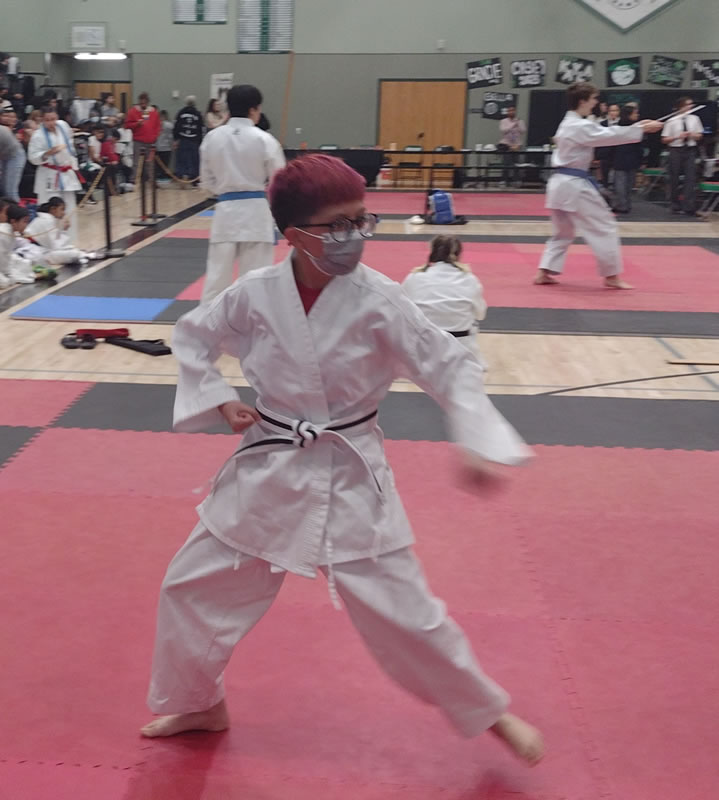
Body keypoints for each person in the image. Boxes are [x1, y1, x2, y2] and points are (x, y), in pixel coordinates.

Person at [140, 153, 544, 766]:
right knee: (191, 585)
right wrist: (221, 400)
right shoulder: (254, 294)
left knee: (408, 615)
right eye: (337, 224)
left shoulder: (381, 299)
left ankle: (490, 712)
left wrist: (478, 439)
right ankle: (199, 701)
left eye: (362, 219)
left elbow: (451, 366)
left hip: (352, 472)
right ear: (294, 234)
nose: (355, 235)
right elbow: (194, 336)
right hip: (269, 463)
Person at [535, 83, 663, 290]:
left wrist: (639, 126)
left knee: (563, 232)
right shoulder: (578, 125)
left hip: (560, 184)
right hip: (574, 185)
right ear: (583, 101)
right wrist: (640, 128)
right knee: (604, 226)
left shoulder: (570, 123)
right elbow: (608, 136)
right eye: (594, 99)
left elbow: (607, 131)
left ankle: (544, 271)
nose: (596, 103)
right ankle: (612, 276)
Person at [198, 84, 285, 304]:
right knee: (258, 280)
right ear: (255, 110)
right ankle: (256, 330)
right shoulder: (265, 140)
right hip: (256, 213)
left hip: (225, 212)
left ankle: (207, 331)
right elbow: (280, 182)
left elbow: (206, 181)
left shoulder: (212, 138)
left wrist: (226, 190)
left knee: (217, 280)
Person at [401, 235, 487, 365]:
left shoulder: (414, 277)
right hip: (461, 348)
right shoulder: (470, 279)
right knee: (473, 325)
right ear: (458, 254)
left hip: (424, 348)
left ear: (433, 252)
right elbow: (480, 315)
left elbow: (401, 310)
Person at [27, 107, 82, 241]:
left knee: (69, 209)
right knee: (50, 212)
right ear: (42, 120)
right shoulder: (38, 135)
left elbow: (70, 144)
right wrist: (47, 153)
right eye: (47, 120)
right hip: (49, 175)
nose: (51, 123)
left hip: (66, 173)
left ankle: (71, 242)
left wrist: (73, 164)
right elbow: (32, 158)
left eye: (53, 119)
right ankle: (51, 243)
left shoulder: (63, 126)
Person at [662, 96, 703, 216]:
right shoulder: (672, 120)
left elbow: (699, 136)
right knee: (673, 177)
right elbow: (664, 139)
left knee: (690, 178)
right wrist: (677, 137)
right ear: (681, 106)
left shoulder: (695, 119)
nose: (690, 107)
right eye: (687, 104)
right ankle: (674, 204)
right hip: (676, 149)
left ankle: (688, 205)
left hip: (690, 149)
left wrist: (691, 135)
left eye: (691, 104)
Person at [24, 195, 94, 265]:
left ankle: (82, 255)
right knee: (72, 253)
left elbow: (55, 243)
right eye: (62, 209)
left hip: (41, 250)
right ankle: (83, 255)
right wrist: (64, 230)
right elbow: (55, 247)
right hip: (35, 251)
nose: (63, 213)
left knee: (71, 250)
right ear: (53, 209)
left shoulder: (48, 219)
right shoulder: (47, 221)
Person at [612, 105, 643, 214]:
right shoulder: (620, 127)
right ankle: (623, 204)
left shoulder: (636, 127)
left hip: (630, 158)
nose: (637, 115)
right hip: (621, 158)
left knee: (628, 184)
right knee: (622, 184)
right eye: (635, 113)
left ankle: (625, 204)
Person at [125, 92, 160, 185]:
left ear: (148, 102)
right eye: (141, 103)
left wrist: (155, 136)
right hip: (138, 140)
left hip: (150, 141)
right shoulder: (133, 111)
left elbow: (158, 126)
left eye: (145, 103)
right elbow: (127, 125)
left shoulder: (154, 112)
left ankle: (151, 180)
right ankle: (134, 180)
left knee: (150, 162)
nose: (143, 105)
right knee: (136, 161)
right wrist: (137, 124)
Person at [0, 203, 35, 286]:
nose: (26, 225)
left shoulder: (9, 232)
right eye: (24, 221)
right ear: (13, 222)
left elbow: (7, 256)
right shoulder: (3, 234)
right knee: (4, 282)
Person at [173, 96, 204, 185]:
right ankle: (194, 179)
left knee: (181, 159)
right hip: (194, 140)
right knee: (194, 160)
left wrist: (176, 139)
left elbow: (177, 126)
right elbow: (200, 128)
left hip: (182, 139)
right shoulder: (198, 114)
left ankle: (180, 177)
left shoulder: (181, 113)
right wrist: (200, 141)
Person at [0, 106, 25, 201]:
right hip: (4, 155)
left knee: (10, 190)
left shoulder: (2, 130)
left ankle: (18, 214)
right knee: (3, 188)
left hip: (15, 155)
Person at [498, 106, 526, 186]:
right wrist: (514, 124)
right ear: (507, 112)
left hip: (517, 145)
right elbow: (504, 130)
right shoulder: (503, 121)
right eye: (509, 111)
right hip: (506, 145)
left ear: (515, 111)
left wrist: (518, 124)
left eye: (512, 110)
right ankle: (504, 180)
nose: (511, 112)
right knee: (506, 163)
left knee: (516, 163)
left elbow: (523, 131)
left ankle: (516, 180)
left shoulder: (520, 121)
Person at [596, 103, 620, 187]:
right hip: (605, 153)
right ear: (608, 112)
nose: (613, 112)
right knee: (604, 175)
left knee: (618, 176)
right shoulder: (602, 124)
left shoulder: (622, 123)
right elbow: (599, 139)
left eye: (616, 110)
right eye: (611, 110)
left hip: (618, 153)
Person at [155, 110, 174, 184]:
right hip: (166, 147)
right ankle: (163, 177)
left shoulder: (156, 124)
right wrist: (172, 144)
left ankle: (159, 177)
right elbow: (170, 137)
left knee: (158, 165)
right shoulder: (169, 125)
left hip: (158, 147)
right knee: (165, 164)